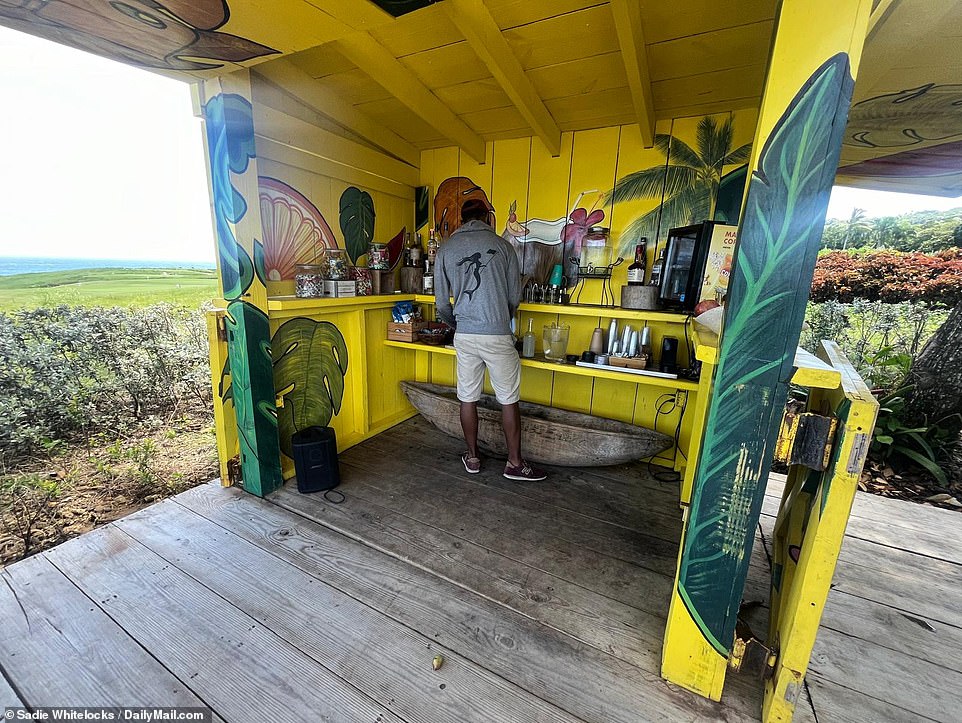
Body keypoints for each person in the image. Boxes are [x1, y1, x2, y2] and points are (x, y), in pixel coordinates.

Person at [434, 198, 546, 481]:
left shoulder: (446, 249)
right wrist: (499, 317)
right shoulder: (505, 247)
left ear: (462, 219)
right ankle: (514, 463)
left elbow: (440, 303)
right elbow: (513, 298)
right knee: (508, 400)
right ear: (488, 218)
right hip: (496, 333)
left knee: (467, 398)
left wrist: (456, 323)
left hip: (465, 334)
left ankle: (472, 458)